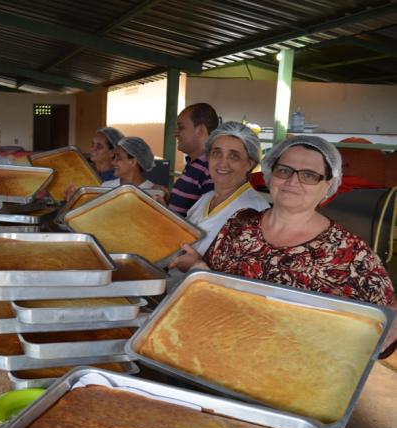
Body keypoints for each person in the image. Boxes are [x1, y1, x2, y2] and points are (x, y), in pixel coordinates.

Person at [179, 134, 395, 339]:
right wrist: (198, 266)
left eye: (309, 175)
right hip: (221, 347)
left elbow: (386, 319)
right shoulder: (241, 223)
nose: (293, 181)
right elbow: (216, 283)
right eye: (284, 170)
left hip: (294, 370)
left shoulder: (349, 251)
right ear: (270, 174)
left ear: (328, 185)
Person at [169, 121, 269, 273]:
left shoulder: (256, 211)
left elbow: (250, 277)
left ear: (250, 163)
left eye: (234, 156)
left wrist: (198, 266)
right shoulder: (206, 198)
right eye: (217, 153)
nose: (223, 163)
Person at [168, 103, 219, 215]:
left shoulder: (211, 168)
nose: (175, 133)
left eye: (181, 127)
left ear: (200, 130)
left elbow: (206, 219)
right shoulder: (195, 164)